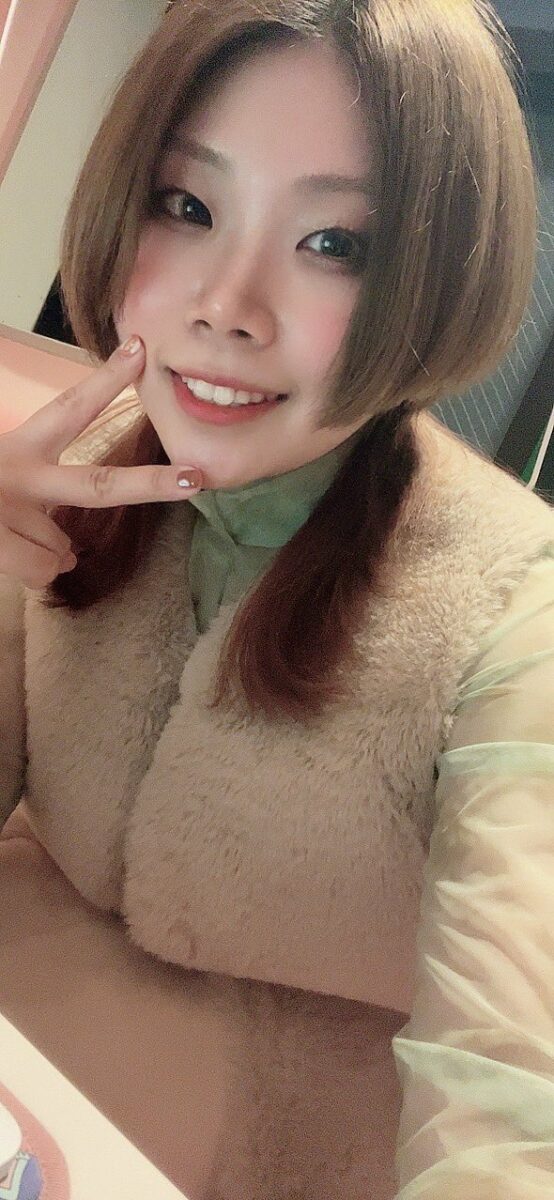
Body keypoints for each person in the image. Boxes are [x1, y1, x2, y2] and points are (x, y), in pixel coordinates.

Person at [0, 0, 553, 1196]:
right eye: (187, 206)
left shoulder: (518, 608)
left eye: (333, 242)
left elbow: (511, 1085)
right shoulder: (67, 466)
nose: (226, 305)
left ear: (434, 278)